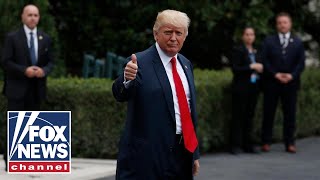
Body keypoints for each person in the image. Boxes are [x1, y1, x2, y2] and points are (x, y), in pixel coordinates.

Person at [112, 9, 200, 180]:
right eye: (168, 32)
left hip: (182, 155)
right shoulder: (138, 62)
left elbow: (188, 112)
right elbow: (120, 94)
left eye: (178, 33)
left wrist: (194, 153)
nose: (173, 38)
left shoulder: (186, 64)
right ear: (155, 33)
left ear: (185, 35)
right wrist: (126, 78)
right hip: (147, 158)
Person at [1, 4, 54, 171]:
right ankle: (12, 161)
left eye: (36, 15)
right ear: (23, 17)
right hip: (16, 89)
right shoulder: (12, 38)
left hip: (36, 89)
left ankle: (29, 161)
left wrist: (43, 71)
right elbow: (5, 62)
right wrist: (24, 70)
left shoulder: (45, 38)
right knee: (15, 125)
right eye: (29, 15)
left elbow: (51, 62)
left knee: (33, 126)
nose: (33, 18)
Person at [261, 12, 305, 153]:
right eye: (280, 22)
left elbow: (301, 63)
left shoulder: (298, 42)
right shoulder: (269, 41)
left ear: (290, 24)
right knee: (269, 113)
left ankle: (290, 143)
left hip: (291, 84)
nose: (282, 25)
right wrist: (275, 74)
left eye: (285, 22)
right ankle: (266, 141)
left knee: (290, 114)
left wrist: (292, 75)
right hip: (272, 83)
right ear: (277, 25)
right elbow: (265, 60)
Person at [230, 27, 263, 154]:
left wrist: (260, 67)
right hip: (241, 88)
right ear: (243, 36)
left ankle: (247, 144)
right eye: (247, 34)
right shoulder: (238, 50)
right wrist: (251, 66)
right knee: (238, 116)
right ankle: (235, 145)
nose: (249, 37)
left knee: (250, 116)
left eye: (252, 34)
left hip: (254, 88)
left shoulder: (256, 51)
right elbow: (235, 69)